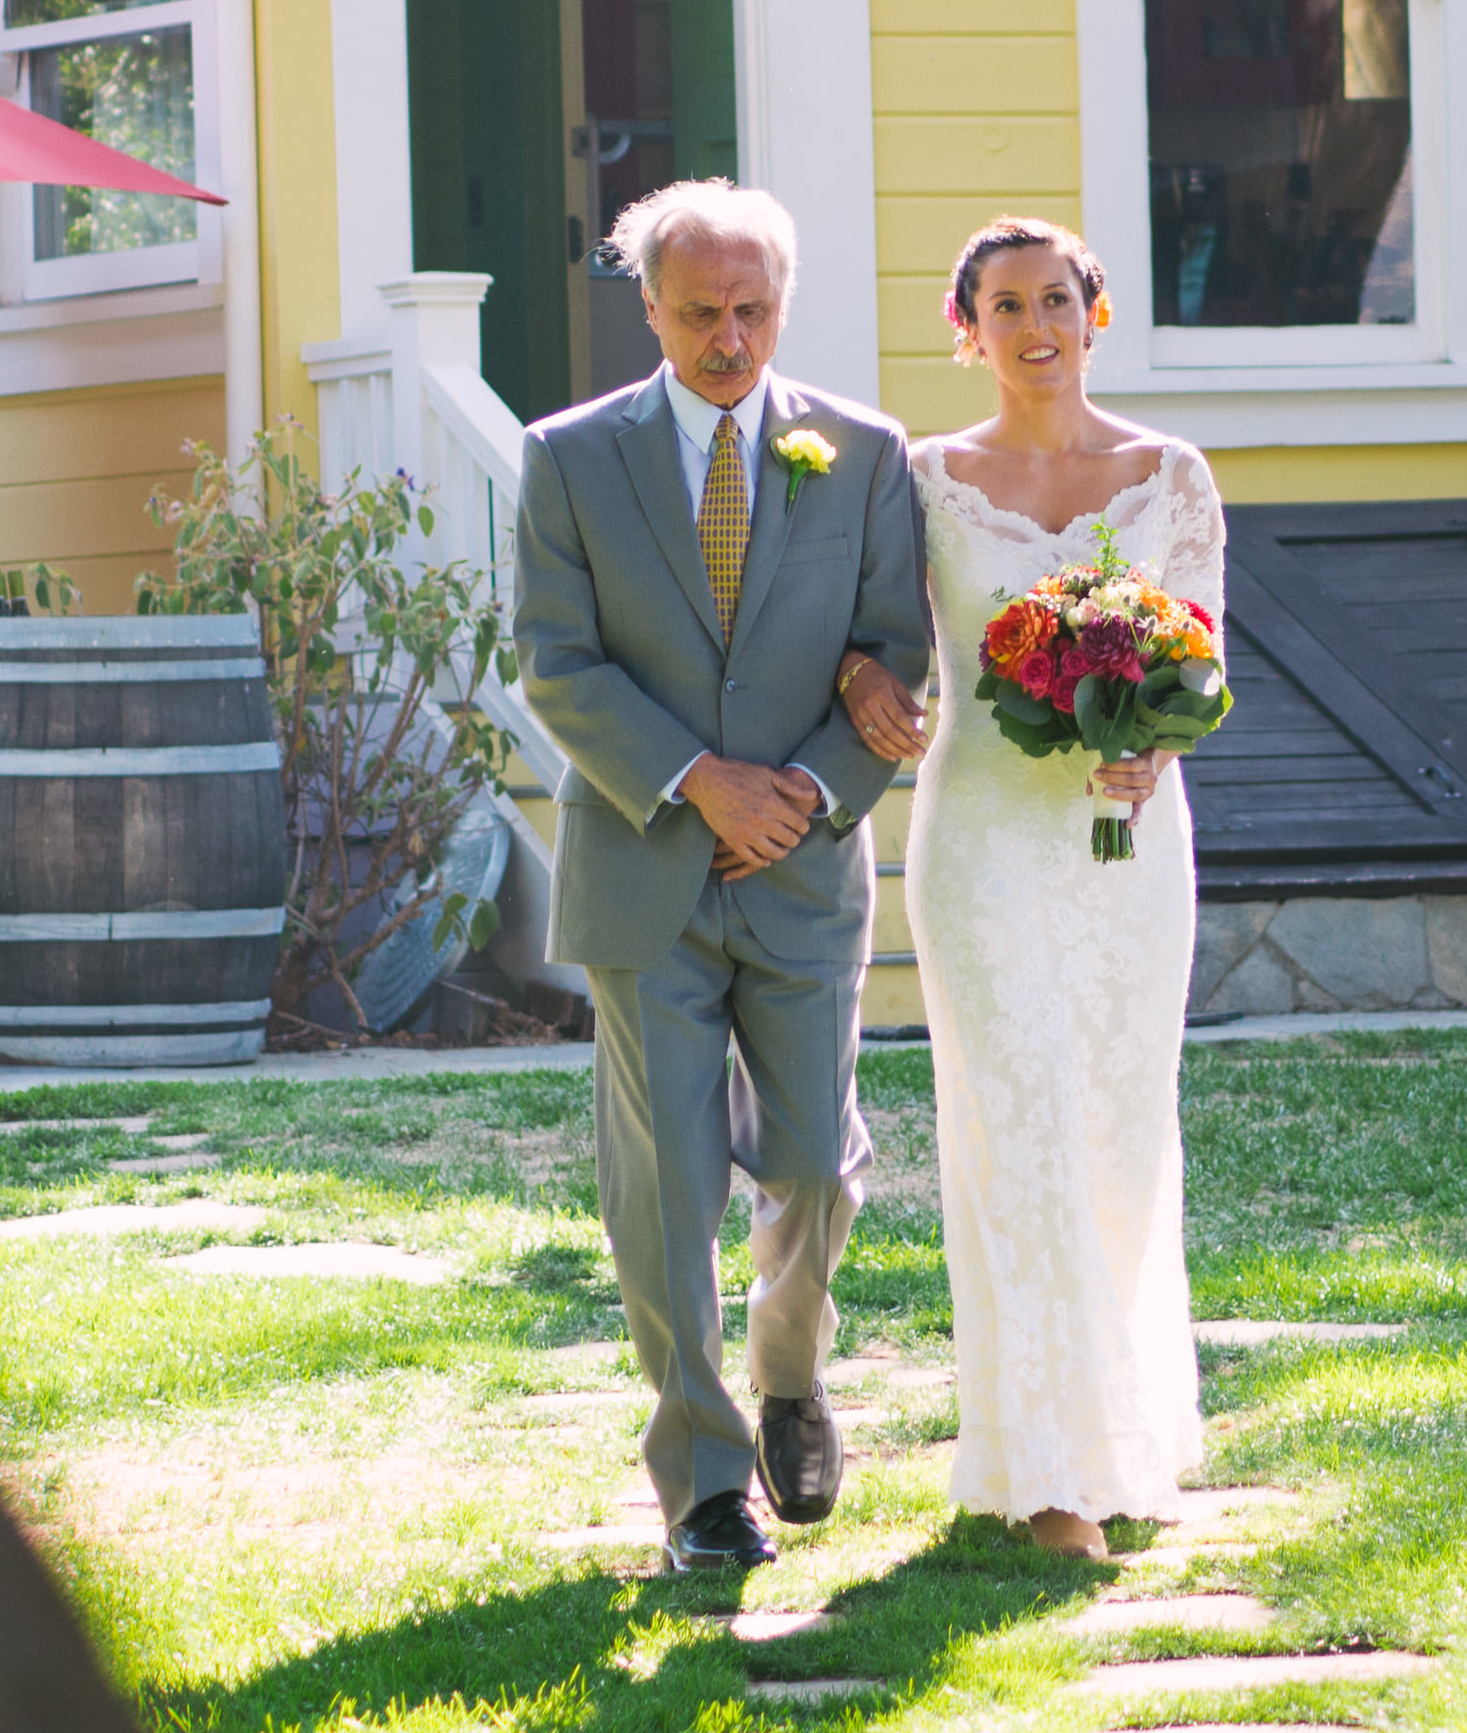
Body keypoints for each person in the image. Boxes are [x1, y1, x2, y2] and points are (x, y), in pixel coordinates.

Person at [511, 182, 934, 1573]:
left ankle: (790, 1374)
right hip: (647, 870)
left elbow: (893, 657)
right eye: (702, 312)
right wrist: (701, 781)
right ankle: (702, 1478)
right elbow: (557, 664)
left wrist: (806, 791)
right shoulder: (570, 459)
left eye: (755, 310)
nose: (731, 339)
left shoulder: (863, 454)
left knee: (813, 1161)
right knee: (666, 1184)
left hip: (807, 871)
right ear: (649, 304)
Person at [830, 218, 1217, 1558]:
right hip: (983, 842)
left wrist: (1152, 741)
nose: (1036, 325)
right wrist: (862, 684)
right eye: (1007, 304)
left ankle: (1125, 1427)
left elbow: (1205, 660)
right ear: (968, 327)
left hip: (1127, 853)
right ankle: (1047, 1471)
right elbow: (868, 639)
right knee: (1021, 1125)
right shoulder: (921, 479)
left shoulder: (1170, 474)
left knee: (1115, 1126)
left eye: (1059, 299)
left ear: (1096, 315)